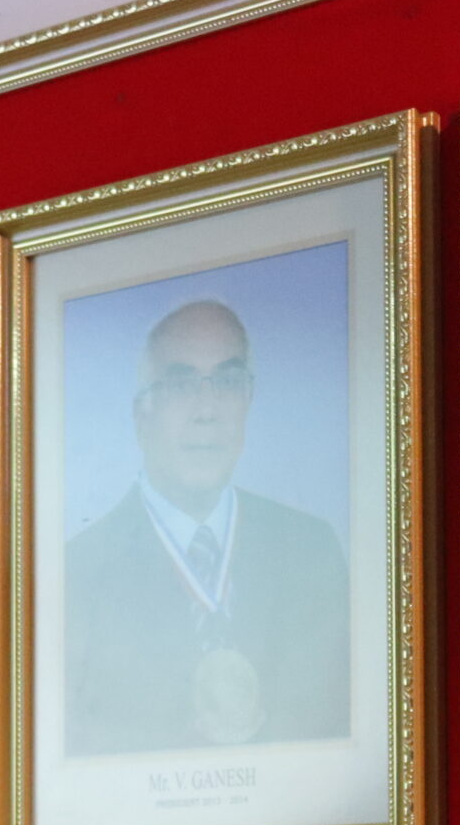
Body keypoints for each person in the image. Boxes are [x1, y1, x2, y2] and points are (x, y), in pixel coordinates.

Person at [64, 299, 349, 755]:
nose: (207, 410)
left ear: (248, 400)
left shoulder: (313, 552)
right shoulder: (76, 575)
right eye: (181, 385)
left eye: (228, 382)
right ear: (142, 414)